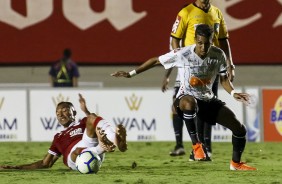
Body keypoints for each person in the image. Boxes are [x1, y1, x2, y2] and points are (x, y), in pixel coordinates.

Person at [111, 24, 256, 170]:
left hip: (207, 100)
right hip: (184, 99)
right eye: (200, 43)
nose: (203, 47)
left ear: (212, 41)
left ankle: (235, 163)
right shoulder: (183, 54)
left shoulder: (218, 55)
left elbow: (224, 80)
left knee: (239, 129)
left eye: (207, 43)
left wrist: (233, 93)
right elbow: (156, 60)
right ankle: (196, 145)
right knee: (189, 102)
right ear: (195, 40)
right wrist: (130, 74)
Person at [162, 0, 235, 158]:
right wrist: (179, 61)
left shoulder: (216, 12)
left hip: (211, 67)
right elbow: (175, 37)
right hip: (190, 69)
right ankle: (188, 145)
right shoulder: (186, 12)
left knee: (208, 107)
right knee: (183, 105)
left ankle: (205, 147)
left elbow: (223, 40)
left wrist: (230, 64)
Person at [0, 94, 127, 171]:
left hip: (90, 150)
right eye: (58, 113)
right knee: (77, 151)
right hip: (76, 160)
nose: (61, 114)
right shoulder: (58, 137)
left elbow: (92, 120)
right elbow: (46, 163)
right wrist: (17, 167)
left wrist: (87, 111)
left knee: (92, 118)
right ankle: (104, 145)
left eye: (65, 110)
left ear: (74, 113)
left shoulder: (81, 122)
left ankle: (114, 141)